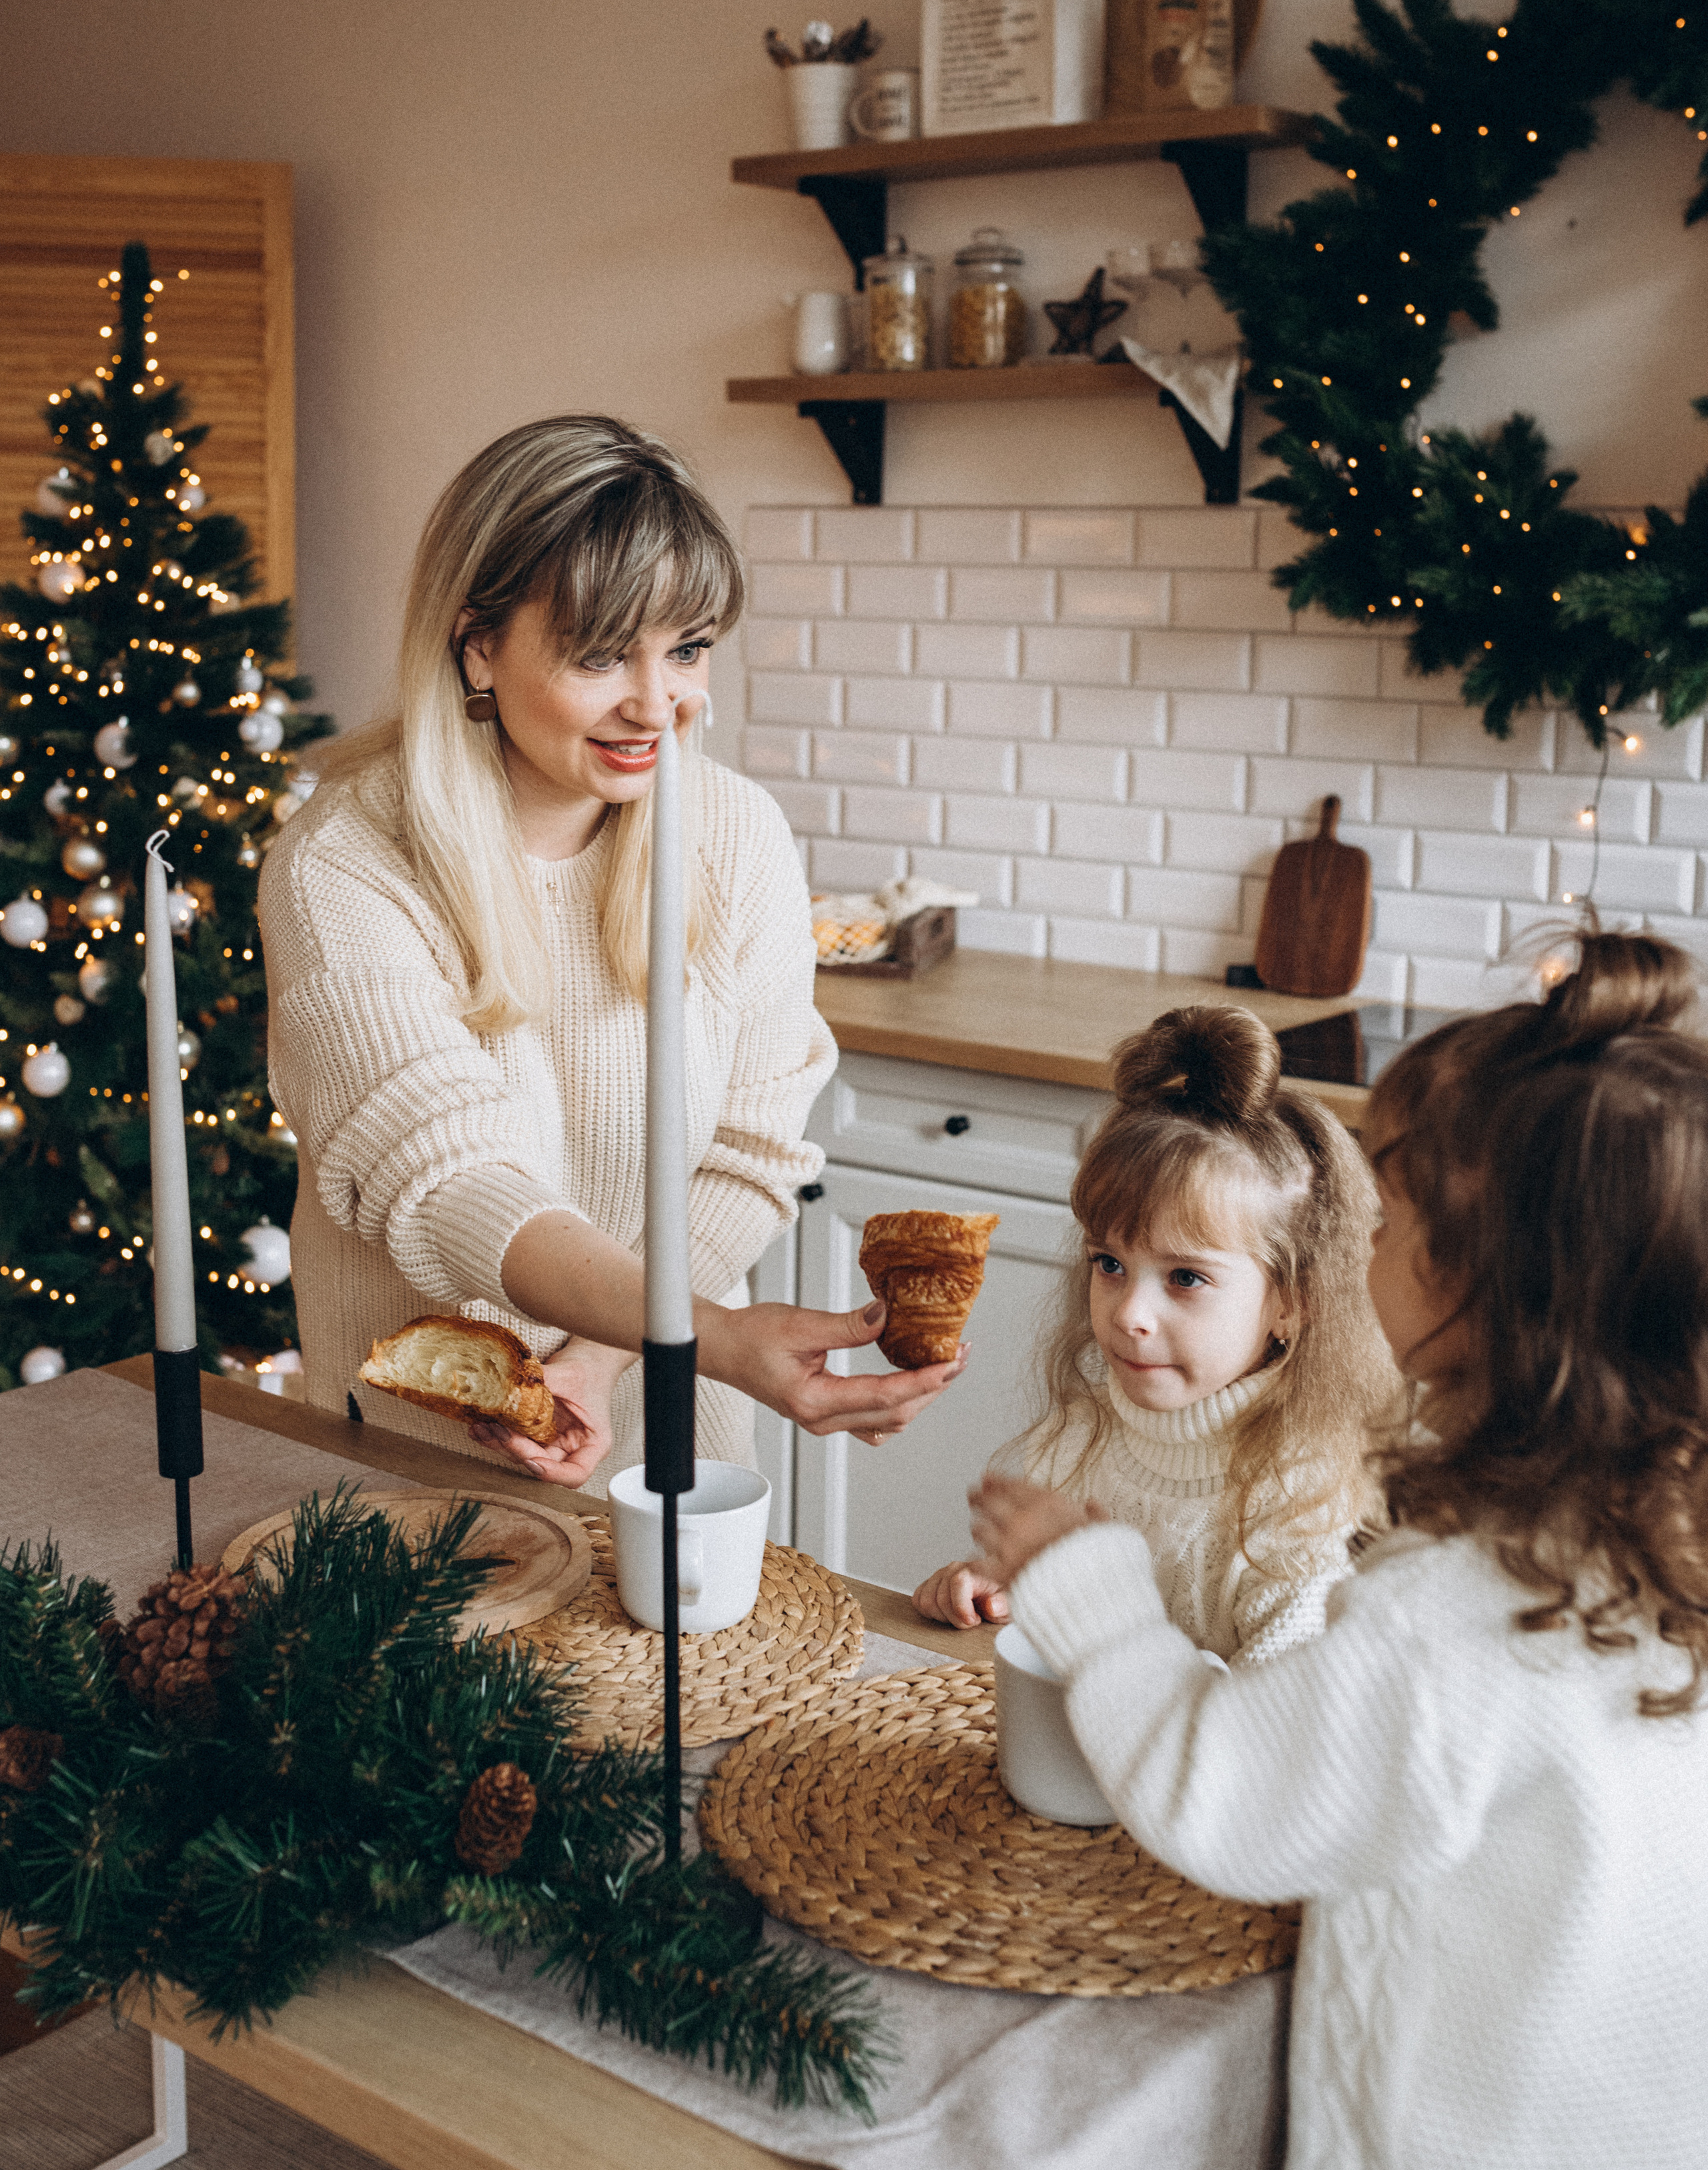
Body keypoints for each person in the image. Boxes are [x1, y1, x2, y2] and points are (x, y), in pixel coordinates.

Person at [973, 931, 1708, 2169]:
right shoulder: (1656, 1540)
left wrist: (1089, 1584)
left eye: (1392, 1209)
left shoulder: (1453, 1614)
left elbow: (1226, 1793)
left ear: (1486, 1286)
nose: (1357, 1233)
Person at [260, 414, 963, 1489]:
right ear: (477, 641)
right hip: (409, 1470)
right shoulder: (346, 862)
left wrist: (602, 1355)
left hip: (670, 1451)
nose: (656, 703)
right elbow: (448, 1181)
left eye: (685, 649)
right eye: (599, 654)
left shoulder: (734, 837)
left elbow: (750, 1154)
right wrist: (715, 1337)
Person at [915, 1006, 1396, 1663]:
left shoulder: (1294, 1507)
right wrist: (992, 1589)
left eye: (1185, 1278)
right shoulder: (1083, 1434)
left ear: (1292, 1302)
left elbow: (1267, 1736)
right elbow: (1051, 1627)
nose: (1128, 1314)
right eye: (1109, 1264)